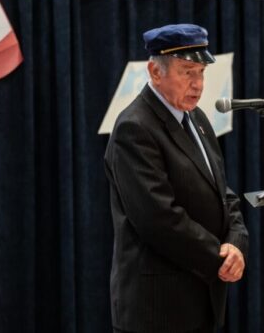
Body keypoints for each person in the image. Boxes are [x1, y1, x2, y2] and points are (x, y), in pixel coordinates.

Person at [104, 24, 249, 333]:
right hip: (157, 309)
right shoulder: (135, 127)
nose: (198, 84)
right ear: (155, 72)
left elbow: (222, 192)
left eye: (201, 72)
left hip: (200, 300)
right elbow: (158, 219)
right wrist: (219, 258)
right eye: (187, 72)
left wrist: (236, 244)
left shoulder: (197, 118)